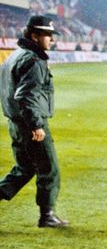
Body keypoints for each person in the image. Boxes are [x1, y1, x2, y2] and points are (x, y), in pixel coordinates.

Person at [0, 15, 69, 227]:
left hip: (16, 121)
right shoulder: (33, 59)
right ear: (33, 35)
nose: (51, 39)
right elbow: (26, 95)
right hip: (29, 123)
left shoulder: (15, 55)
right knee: (49, 168)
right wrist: (36, 124)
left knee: (25, 168)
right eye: (47, 35)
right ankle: (47, 216)